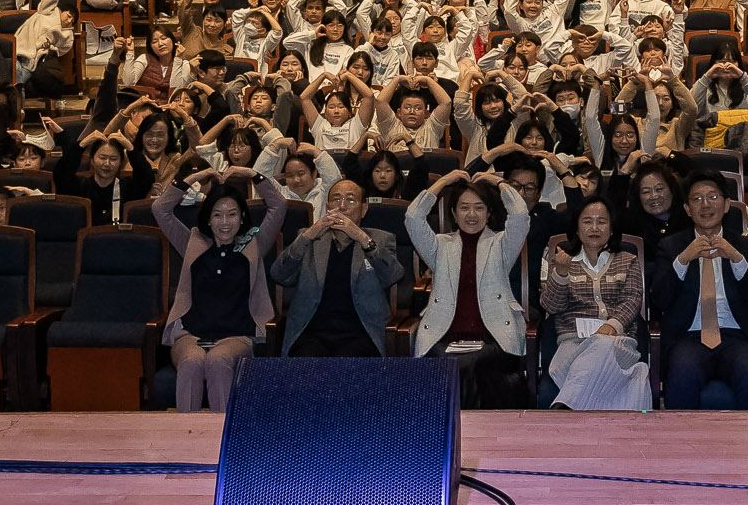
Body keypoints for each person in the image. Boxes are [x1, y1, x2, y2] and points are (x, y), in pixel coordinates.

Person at [152, 165, 286, 412]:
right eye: (217, 215)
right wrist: (195, 177)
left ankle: (220, 441)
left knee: (217, 360)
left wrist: (250, 174)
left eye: (232, 214)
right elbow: (160, 209)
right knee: (192, 363)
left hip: (236, 337)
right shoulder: (193, 242)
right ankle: (187, 438)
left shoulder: (253, 244)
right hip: (190, 336)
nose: (225, 222)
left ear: (242, 217)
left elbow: (278, 205)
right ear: (208, 219)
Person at [406, 169, 532, 408]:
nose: (471, 214)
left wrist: (498, 182)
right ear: (454, 213)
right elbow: (413, 217)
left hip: (492, 336)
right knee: (448, 361)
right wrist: (444, 181)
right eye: (464, 207)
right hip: (445, 334)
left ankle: (469, 430)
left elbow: (519, 214)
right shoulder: (440, 247)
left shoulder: (501, 244)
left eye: (479, 207)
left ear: (488, 213)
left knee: (472, 363)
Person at [647, 174, 748, 409]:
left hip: (738, 337)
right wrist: (683, 259)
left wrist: (736, 258)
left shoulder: (746, 246)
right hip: (689, 337)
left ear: (726, 205)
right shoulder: (671, 247)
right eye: (697, 199)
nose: (705, 205)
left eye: (713, 197)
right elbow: (660, 300)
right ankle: (683, 444)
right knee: (683, 374)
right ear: (687, 209)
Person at [537, 191, 651, 410]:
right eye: (588, 222)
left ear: (612, 227)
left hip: (618, 342)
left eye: (602, 222)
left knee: (602, 343)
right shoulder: (562, 261)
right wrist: (560, 274)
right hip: (573, 343)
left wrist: (611, 325)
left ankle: (564, 407)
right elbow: (551, 306)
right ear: (577, 228)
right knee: (630, 376)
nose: (595, 228)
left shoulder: (628, 260)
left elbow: (632, 299)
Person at [269, 177, 404, 356]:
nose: (342, 206)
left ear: (364, 209)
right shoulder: (309, 237)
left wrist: (362, 238)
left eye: (350, 200)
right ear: (327, 207)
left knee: (351, 367)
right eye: (336, 199)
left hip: (361, 333)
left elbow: (393, 275)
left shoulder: (379, 239)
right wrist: (309, 235)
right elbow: (279, 274)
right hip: (311, 332)